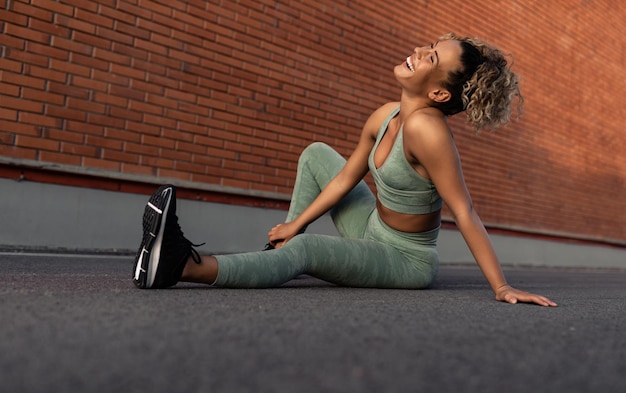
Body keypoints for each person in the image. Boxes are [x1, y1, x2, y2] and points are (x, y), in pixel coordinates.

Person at [132, 33, 557, 307]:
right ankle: (276, 256)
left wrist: (501, 287)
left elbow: (464, 210)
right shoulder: (386, 115)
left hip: (403, 260)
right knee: (316, 153)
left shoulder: (429, 132)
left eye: (430, 57)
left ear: (439, 91)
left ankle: (182, 266)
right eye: (428, 45)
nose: (417, 51)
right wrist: (296, 223)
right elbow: (343, 178)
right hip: (371, 228)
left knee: (309, 252)